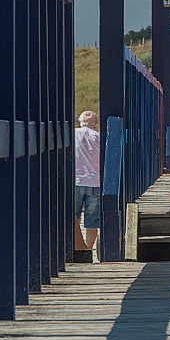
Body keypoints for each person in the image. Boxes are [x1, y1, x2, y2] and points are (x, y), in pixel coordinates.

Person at [75, 110, 101, 257]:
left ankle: (77, 249)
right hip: (94, 181)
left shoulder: (74, 134)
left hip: (77, 180)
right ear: (95, 123)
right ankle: (88, 250)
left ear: (80, 122)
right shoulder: (99, 137)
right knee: (92, 221)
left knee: (74, 217)